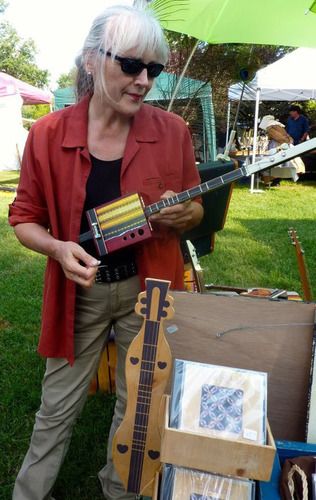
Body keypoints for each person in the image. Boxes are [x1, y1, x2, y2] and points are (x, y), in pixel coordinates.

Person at [8, 5, 203, 500]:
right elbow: (23, 218)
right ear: (92, 60)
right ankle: (30, 493)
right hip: (83, 292)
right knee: (57, 405)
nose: (144, 81)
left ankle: (121, 491)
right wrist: (57, 248)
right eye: (131, 66)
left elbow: (195, 207)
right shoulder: (48, 135)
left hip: (149, 289)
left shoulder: (173, 132)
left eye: (153, 70)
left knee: (140, 404)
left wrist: (186, 215)